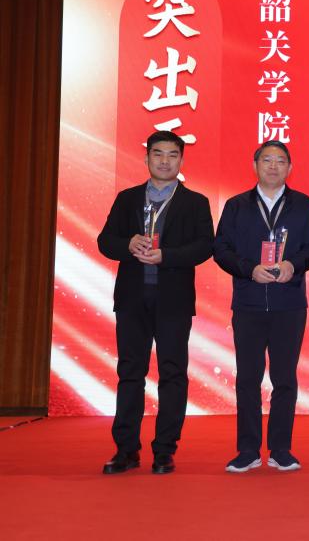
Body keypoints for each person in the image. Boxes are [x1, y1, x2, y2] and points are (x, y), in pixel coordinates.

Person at [96, 131, 213, 475]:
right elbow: (105, 241)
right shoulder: (128, 199)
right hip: (132, 300)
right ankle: (126, 450)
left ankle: (164, 450)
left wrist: (167, 256)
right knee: (130, 372)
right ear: (147, 158)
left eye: (172, 155)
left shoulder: (195, 202)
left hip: (174, 301)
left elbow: (205, 246)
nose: (165, 161)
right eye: (158, 154)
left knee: (173, 373)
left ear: (181, 160)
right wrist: (128, 244)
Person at [213, 141, 309, 473]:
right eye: (267, 160)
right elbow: (221, 250)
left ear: (290, 168)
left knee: (285, 377)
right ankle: (248, 450)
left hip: (290, 303)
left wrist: (292, 265)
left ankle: (280, 449)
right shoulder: (236, 206)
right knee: (248, 377)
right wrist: (249, 269)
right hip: (248, 301)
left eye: (280, 161)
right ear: (255, 165)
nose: (273, 166)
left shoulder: (304, 205)